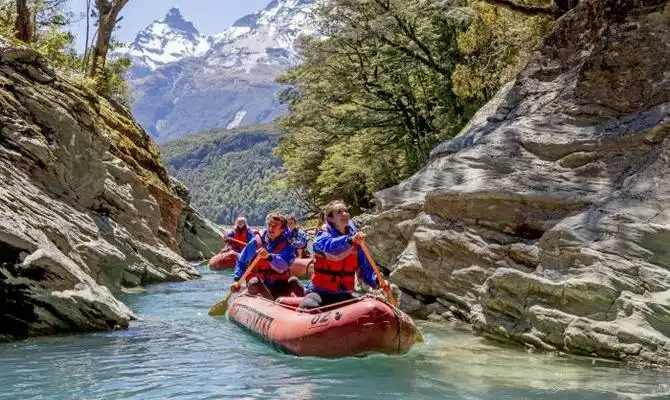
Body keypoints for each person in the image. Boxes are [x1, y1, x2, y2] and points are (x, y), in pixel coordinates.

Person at [299, 200, 390, 309]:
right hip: (320, 291)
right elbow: (331, 250)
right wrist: (350, 240)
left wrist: (377, 280)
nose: (345, 214)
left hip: (343, 293)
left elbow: (366, 268)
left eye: (345, 211)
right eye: (339, 212)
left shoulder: (356, 241)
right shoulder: (321, 237)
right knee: (308, 306)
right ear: (330, 219)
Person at [231, 213, 304, 300]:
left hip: (278, 282)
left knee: (290, 282)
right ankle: (268, 299)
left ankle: (297, 295)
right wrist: (237, 279)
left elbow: (284, 266)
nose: (270, 228)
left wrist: (269, 257)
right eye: (269, 225)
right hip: (259, 282)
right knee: (254, 282)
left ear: (282, 229)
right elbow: (241, 260)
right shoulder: (256, 242)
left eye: (275, 226)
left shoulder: (288, 245)